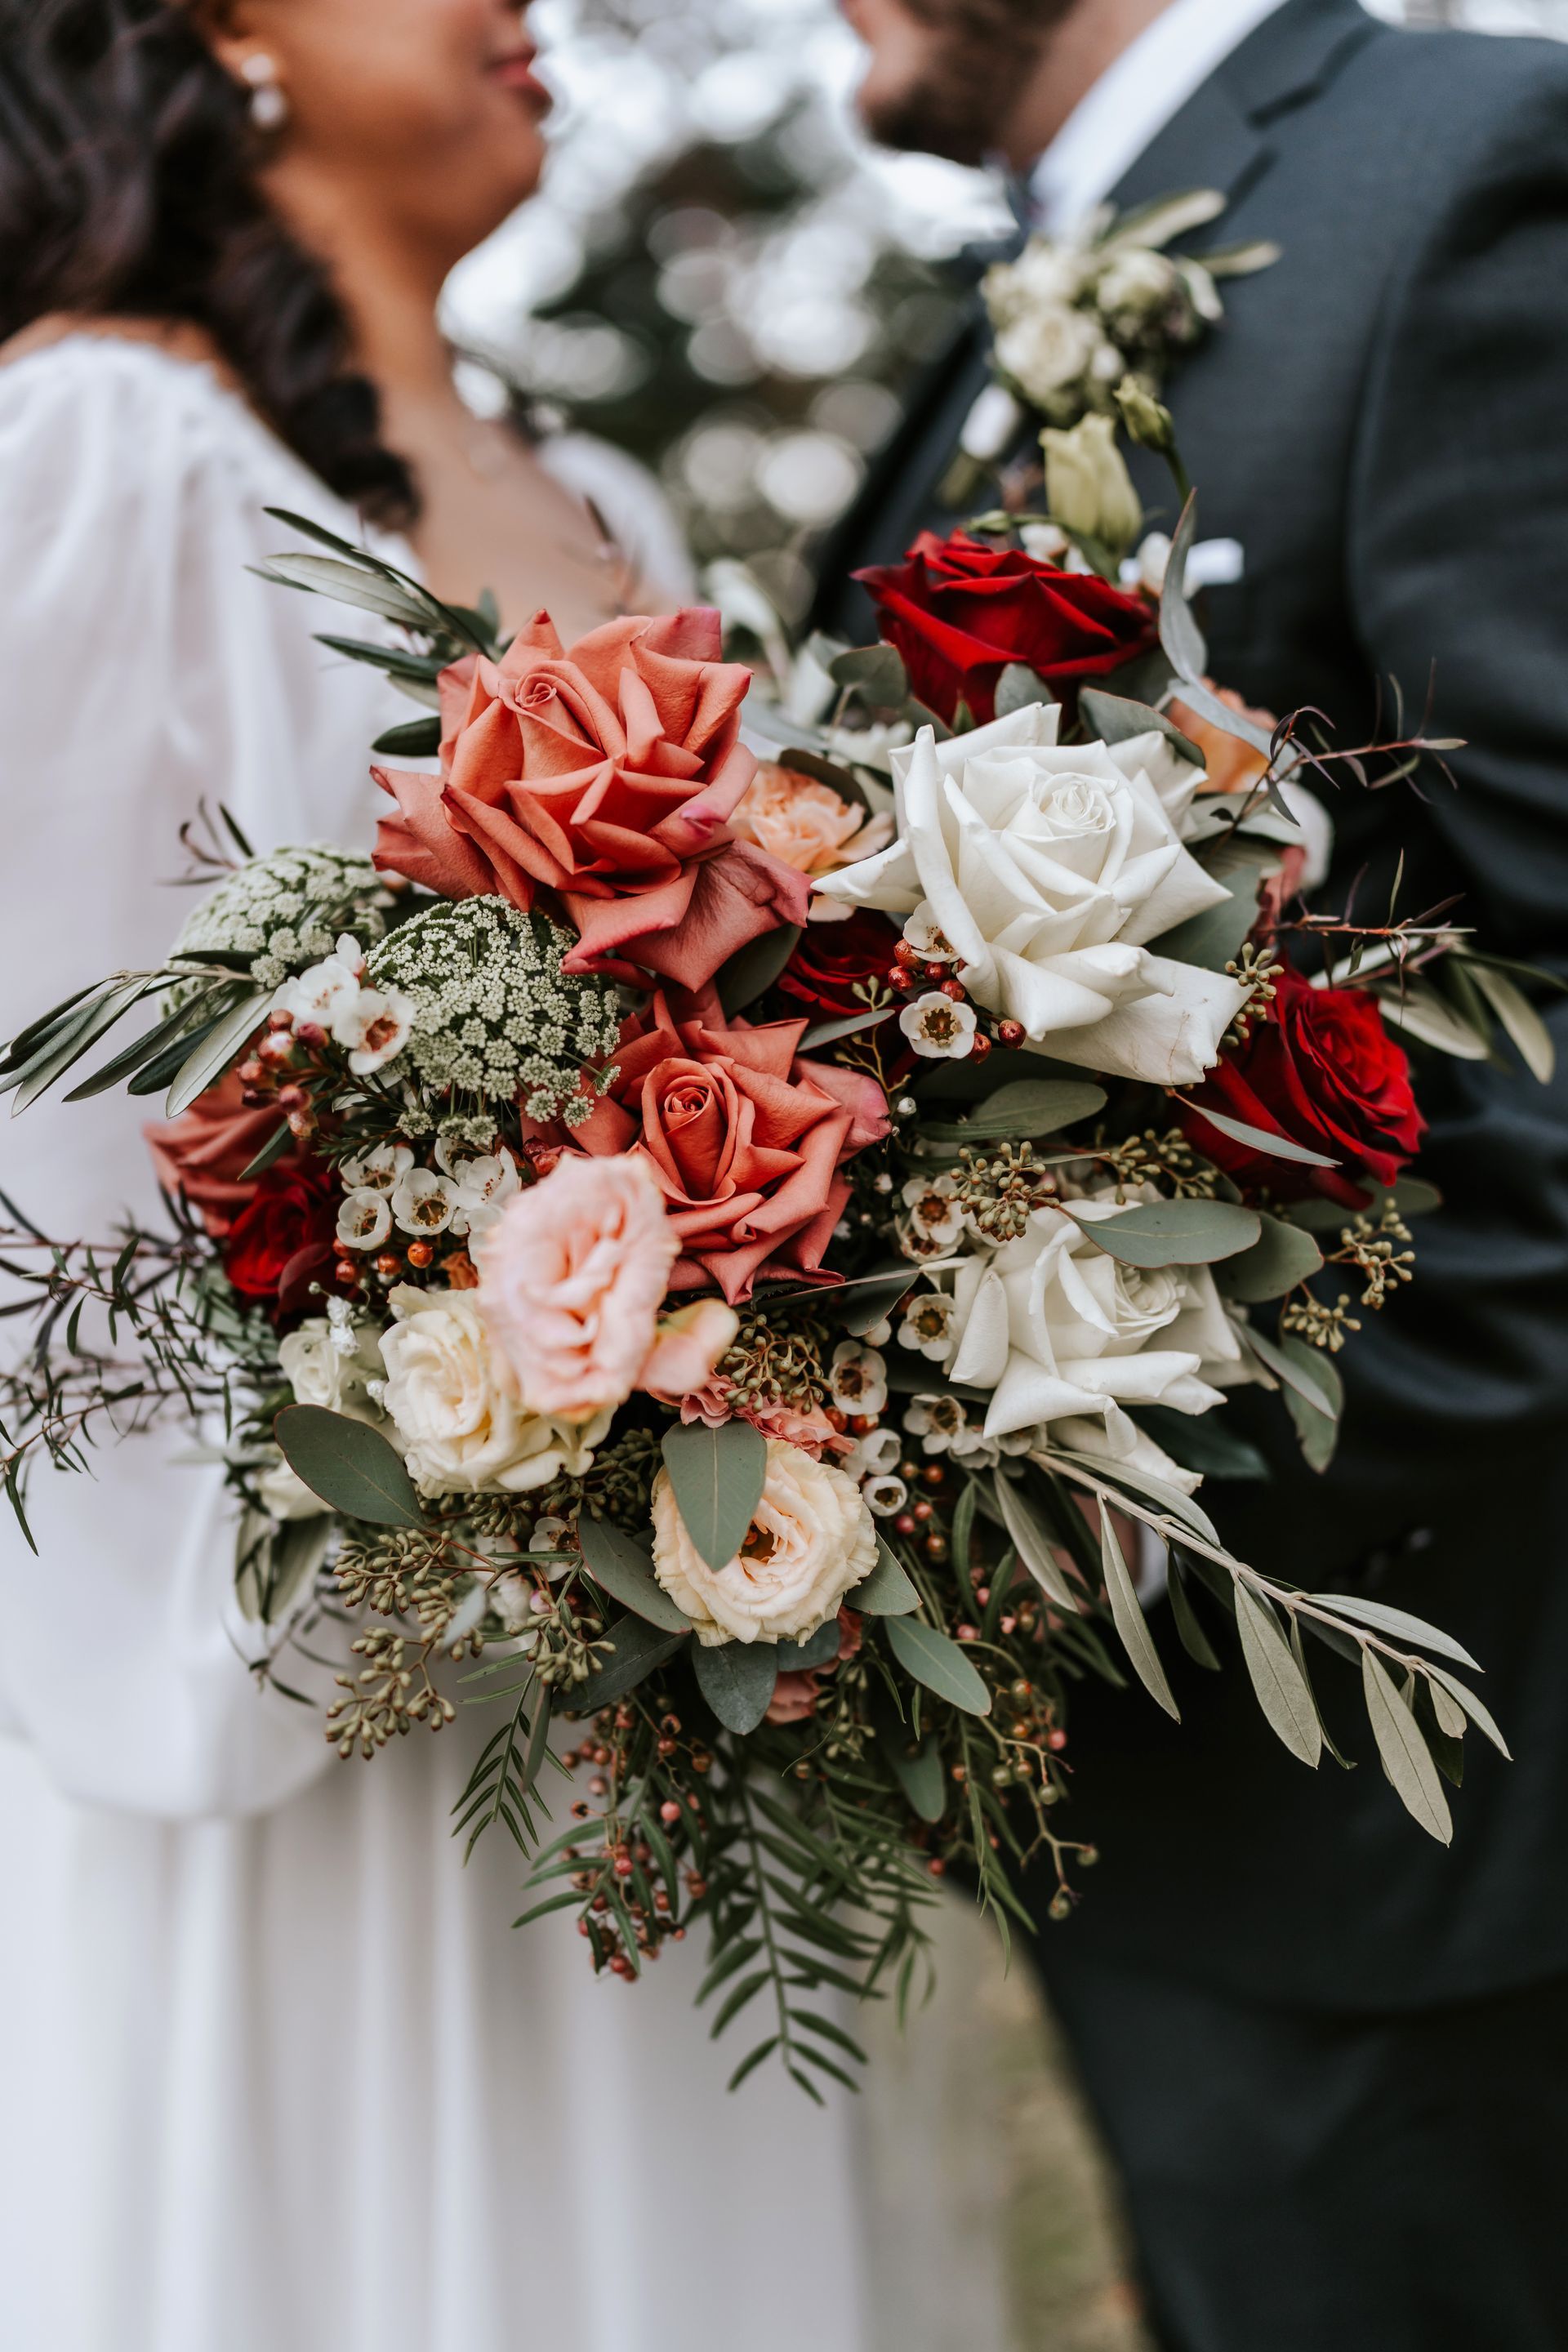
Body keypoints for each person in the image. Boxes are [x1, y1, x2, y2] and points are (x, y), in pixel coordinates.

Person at [0, 8, 875, 2350]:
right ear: (214, 27)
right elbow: (46, 1141)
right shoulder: (101, 449)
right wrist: (402, 1490)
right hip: (314, 1720)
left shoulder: (613, 497)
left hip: (667, 1677)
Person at [824, 2, 1568, 2347]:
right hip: (1175, 1852)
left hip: (1433, 1830)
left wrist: (1093, 1495)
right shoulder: (984, 332)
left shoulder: (1465, 169)